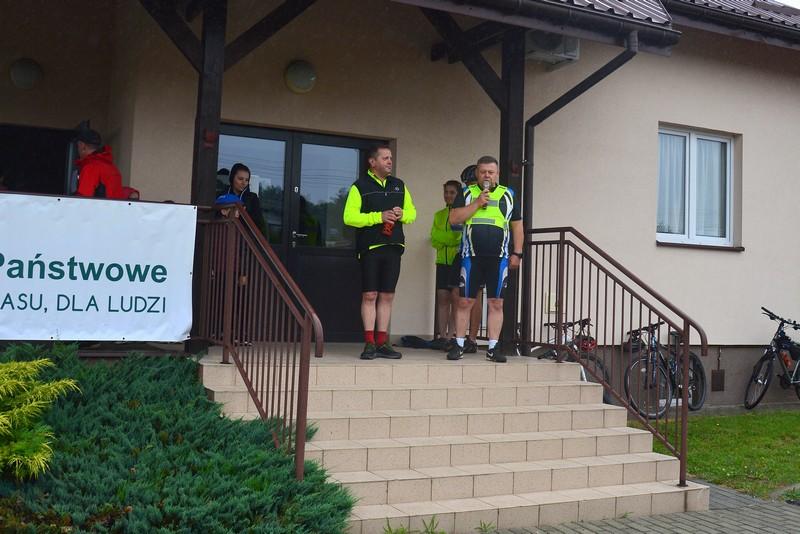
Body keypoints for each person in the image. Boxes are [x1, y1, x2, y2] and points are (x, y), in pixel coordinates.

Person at [447, 155, 524, 363]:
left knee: (496, 303)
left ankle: (493, 348)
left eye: (491, 172)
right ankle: (459, 344)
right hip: (471, 257)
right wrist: (477, 203)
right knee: (465, 301)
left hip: (499, 258)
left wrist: (517, 253)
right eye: (483, 172)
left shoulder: (508, 194)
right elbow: (453, 219)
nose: (487, 175)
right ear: (477, 173)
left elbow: (517, 226)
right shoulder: (467, 193)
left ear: (497, 174)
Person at [343, 145, 416, 360]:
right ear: (372, 162)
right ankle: (369, 343)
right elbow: (349, 217)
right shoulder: (359, 186)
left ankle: (382, 342)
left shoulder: (399, 185)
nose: (390, 161)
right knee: (370, 295)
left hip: (394, 247)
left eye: (390, 158)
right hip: (370, 248)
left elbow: (412, 213)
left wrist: (402, 214)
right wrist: (378, 217)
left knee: (387, 295)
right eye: (385, 158)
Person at [430, 180, 463, 349]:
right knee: (442, 298)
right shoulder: (439, 215)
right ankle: (442, 337)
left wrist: (444, 238)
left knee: (455, 300)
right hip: (441, 261)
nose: (448, 195)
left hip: (456, 261)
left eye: (452, 192)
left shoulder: (462, 213)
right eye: (446, 192)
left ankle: (451, 337)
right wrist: (446, 239)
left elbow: (457, 238)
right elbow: (434, 239)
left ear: (458, 194)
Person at [73, 122, 124, 199]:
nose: (78, 150)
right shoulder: (113, 168)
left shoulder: (91, 168)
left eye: (78, 146)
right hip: (114, 207)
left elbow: (83, 200)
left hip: (99, 207)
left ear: (83, 146)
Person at [226, 163, 267, 236]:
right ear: (232, 178)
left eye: (247, 180)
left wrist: (242, 214)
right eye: (240, 179)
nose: (244, 183)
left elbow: (259, 223)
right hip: (223, 236)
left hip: (245, 238)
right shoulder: (222, 195)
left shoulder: (252, 198)